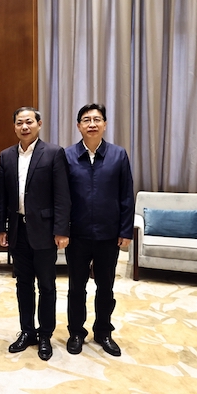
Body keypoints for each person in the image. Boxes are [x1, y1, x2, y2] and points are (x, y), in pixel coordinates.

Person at [0, 107, 71, 361]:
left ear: (39, 124)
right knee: (23, 284)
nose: (24, 127)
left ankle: (45, 334)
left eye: (29, 122)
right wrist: (2, 228)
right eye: (19, 123)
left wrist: (61, 229)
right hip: (18, 230)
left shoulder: (53, 153)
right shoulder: (6, 156)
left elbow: (62, 195)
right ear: (14, 127)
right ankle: (27, 331)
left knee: (47, 285)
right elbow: (3, 197)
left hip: (45, 232)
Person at [64, 103, 134, 357]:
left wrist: (125, 231)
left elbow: (126, 196)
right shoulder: (67, 156)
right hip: (77, 235)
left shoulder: (118, 155)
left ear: (105, 124)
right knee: (76, 287)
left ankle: (103, 331)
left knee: (105, 287)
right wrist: (61, 230)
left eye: (97, 119)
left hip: (108, 234)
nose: (91, 124)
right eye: (86, 120)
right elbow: (61, 198)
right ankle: (76, 332)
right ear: (78, 126)